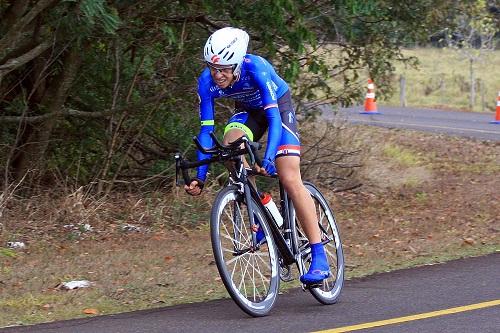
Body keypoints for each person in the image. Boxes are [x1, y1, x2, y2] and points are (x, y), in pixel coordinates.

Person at [184, 27, 329, 285]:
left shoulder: (257, 68)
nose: (218, 75)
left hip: (277, 110)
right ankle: (263, 207)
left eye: (225, 69)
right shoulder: (206, 81)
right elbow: (206, 131)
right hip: (249, 112)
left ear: (238, 64)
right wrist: (200, 176)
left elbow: (273, 118)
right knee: (229, 147)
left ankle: (319, 256)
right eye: (213, 68)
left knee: (288, 175)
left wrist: (269, 158)